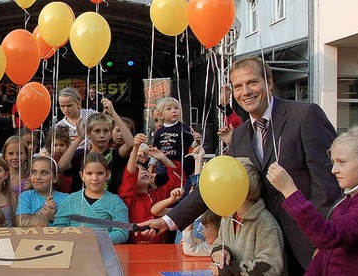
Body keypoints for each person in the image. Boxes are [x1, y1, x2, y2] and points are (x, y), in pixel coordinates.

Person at [137, 56, 341, 274]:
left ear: (269, 82)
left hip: (308, 246)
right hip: (261, 249)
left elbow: (328, 185)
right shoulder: (240, 135)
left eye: (252, 82)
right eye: (238, 86)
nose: (246, 92)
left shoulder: (305, 116)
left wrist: (323, 239)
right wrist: (169, 220)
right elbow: (217, 188)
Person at [267, 126, 358, 275]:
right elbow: (323, 255)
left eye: (342, 162)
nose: (334, 170)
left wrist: (289, 190)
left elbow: (327, 235)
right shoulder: (345, 203)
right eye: (333, 162)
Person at [210, 157, 284, 276]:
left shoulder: (265, 223)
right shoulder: (228, 217)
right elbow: (220, 241)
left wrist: (229, 269)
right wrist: (221, 251)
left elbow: (271, 267)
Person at [59, 99, 134, 194]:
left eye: (106, 131)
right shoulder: (81, 155)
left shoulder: (114, 154)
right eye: (97, 131)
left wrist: (113, 113)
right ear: (89, 134)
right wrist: (80, 138)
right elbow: (61, 166)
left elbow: (131, 144)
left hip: (107, 203)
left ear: (110, 134)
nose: (102, 135)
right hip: (81, 204)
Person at [54, 153, 129, 244]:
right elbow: (58, 228)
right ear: (82, 175)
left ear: (107, 175)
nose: (94, 178)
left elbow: (122, 232)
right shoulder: (69, 201)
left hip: (104, 252)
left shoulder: (116, 202)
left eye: (100, 173)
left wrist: (93, 239)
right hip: (74, 250)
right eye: (89, 173)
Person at [16, 157, 68, 226]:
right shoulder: (26, 196)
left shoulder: (66, 198)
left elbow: (71, 225)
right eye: (34, 172)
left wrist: (53, 218)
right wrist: (42, 214)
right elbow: (20, 223)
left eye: (44, 173)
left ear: (55, 178)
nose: (37, 177)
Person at [151, 97, 194, 163]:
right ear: (161, 115)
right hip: (163, 165)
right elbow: (155, 149)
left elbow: (192, 144)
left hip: (179, 164)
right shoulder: (159, 131)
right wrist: (152, 164)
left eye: (176, 108)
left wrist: (197, 140)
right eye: (169, 109)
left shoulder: (185, 128)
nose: (174, 111)